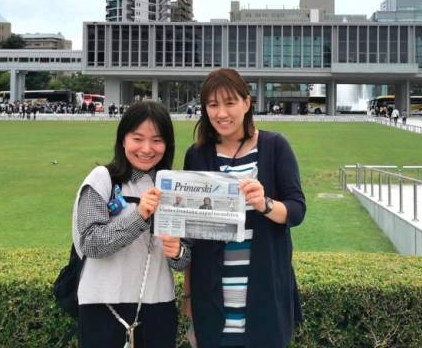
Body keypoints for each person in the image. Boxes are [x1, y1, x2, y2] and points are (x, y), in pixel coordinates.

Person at [182, 68, 306, 348]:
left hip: (264, 292)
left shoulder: (275, 146)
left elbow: (297, 210)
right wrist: (188, 297)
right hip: (211, 296)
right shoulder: (197, 155)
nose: (221, 113)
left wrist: (265, 204)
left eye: (229, 103)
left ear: (247, 103)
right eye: (213, 105)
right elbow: (191, 232)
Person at [72, 100, 191, 348]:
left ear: (167, 145)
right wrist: (139, 216)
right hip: (102, 304)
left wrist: (177, 251)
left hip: (158, 304)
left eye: (157, 140)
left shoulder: (172, 185)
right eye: (138, 138)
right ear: (123, 139)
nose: (147, 148)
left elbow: (183, 260)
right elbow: (91, 243)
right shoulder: (102, 179)